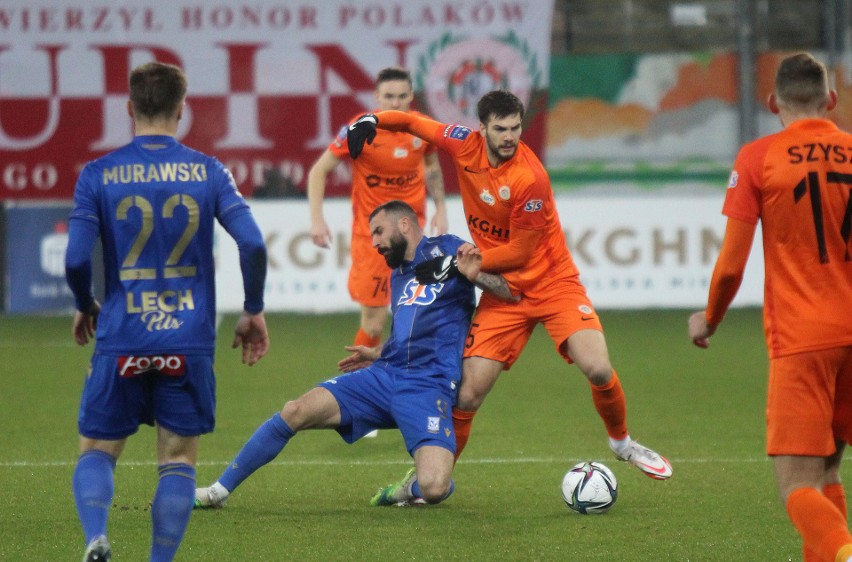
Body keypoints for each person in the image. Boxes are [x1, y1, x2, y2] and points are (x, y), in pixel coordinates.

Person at [347, 89, 672, 504]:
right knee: (465, 395)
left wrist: (462, 262)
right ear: (481, 128)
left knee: (598, 368)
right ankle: (427, 483)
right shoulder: (462, 144)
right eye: (500, 128)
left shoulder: (529, 177)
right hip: (503, 295)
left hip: (553, 284)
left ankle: (622, 442)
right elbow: (414, 122)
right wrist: (371, 120)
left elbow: (520, 252)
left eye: (516, 127)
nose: (510, 136)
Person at [65, 61, 270, 562]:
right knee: (177, 461)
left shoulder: (98, 174)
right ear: (183, 109)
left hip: (122, 337)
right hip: (187, 340)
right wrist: (253, 309)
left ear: (130, 109)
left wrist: (85, 303)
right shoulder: (208, 171)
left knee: (96, 450)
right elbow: (253, 245)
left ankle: (96, 536)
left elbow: (74, 259)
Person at [194, 200, 516, 509]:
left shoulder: (450, 248)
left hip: (426, 386)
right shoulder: (398, 275)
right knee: (295, 410)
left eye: (378, 231)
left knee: (433, 487)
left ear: (404, 223)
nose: (374, 242)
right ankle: (217, 491)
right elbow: (408, 335)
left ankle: (405, 489)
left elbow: (509, 291)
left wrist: (476, 277)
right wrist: (378, 353)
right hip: (383, 377)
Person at [688, 52, 852, 562]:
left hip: (803, 340)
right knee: (827, 472)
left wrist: (709, 317)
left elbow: (732, 266)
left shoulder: (760, 157)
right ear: (830, 99)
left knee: (795, 485)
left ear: (771, 102)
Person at [308, 67, 448, 351]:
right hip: (373, 239)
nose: (395, 103)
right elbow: (318, 171)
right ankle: (354, 385)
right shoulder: (359, 130)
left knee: (419, 317)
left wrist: (441, 208)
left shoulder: (423, 127)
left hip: (414, 236)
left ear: (411, 96)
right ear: (376, 97)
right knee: (373, 324)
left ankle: (408, 380)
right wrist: (317, 220)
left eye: (401, 96)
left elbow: (432, 166)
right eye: (389, 97)